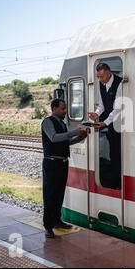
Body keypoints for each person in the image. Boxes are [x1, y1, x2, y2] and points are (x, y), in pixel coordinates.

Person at [41, 99, 88, 238]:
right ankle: (48, 226)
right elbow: (54, 138)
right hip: (51, 163)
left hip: (62, 163)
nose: (65, 111)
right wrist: (74, 132)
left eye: (65, 108)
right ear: (54, 108)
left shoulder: (62, 123)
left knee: (59, 193)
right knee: (50, 195)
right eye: (62, 109)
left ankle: (56, 220)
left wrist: (81, 136)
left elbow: (66, 142)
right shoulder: (47, 122)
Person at [88, 63, 123, 189]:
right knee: (113, 153)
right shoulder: (101, 85)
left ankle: (119, 182)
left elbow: (118, 108)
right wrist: (96, 114)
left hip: (121, 125)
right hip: (111, 126)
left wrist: (105, 123)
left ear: (108, 73)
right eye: (98, 77)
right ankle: (115, 181)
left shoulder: (120, 84)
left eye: (101, 76)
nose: (99, 79)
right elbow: (102, 105)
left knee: (119, 154)